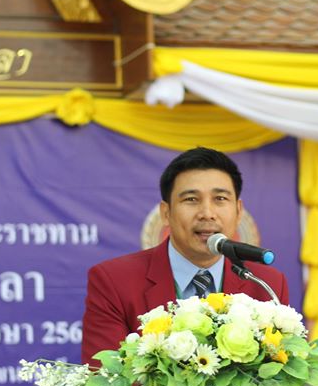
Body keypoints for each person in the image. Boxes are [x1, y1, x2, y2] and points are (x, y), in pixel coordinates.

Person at [81, 147, 289, 370]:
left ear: (238, 211)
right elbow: (106, 379)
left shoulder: (266, 284)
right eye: (191, 199)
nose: (207, 213)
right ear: (166, 213)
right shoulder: (114, 281)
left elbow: (282, 375)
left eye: (220, 199)